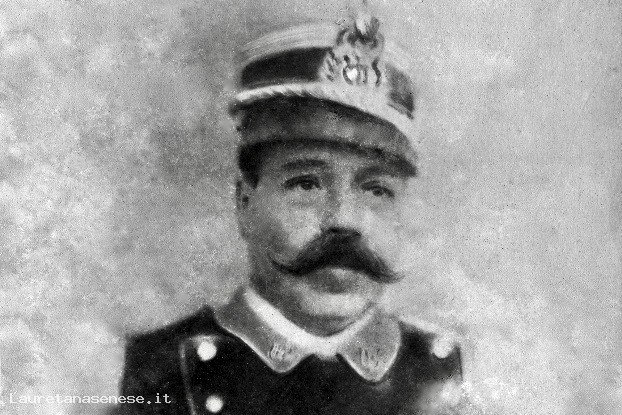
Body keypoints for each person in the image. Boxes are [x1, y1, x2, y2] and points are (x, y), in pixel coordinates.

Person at [114, 10, 470, 415]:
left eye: (376, 190)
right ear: (244, 203)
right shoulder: (165, 368)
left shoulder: (435, 371)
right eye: (307, 184)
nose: (344, 220)